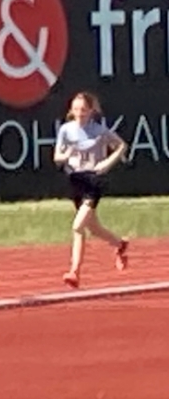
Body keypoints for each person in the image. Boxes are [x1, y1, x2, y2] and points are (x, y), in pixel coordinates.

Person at [53, 92, 129, 289]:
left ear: (91, 111)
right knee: (93, 227)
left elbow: (121, 145)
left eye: (83, 110)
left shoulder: (99, 131)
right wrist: (66, 155)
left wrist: (107, 162)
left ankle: (74, 272)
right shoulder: (65, 130)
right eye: (76, 109)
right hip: (75, 180)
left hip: (93, 181)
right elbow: (57, 158)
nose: (80, 113)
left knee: (78, 226)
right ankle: (120, 244)